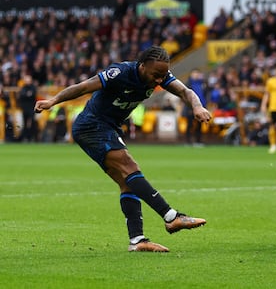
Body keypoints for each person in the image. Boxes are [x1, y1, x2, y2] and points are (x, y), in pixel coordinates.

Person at [34, 46, 211, 252]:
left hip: (109, 127)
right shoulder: (120, 72)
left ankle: (137, 240)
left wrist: (197, 106)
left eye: (162, 76)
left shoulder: (161, 75)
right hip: (92, 125)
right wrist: (53, 101)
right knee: (130, 167)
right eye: (155, 75)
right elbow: (84, 87)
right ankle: (171, 217)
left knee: (128, 183)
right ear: (142, 66)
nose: (159, 81)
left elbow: (185, 91)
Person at [182, 68, 207, 146]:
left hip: (201, 107)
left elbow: (205, 95)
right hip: (190, 108)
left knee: (199, 125)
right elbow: (185, 97)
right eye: (194, 73)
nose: (196, 75)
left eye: (197, 73)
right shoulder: (188, 84)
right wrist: (189, 107)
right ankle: (188, 141)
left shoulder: (202, 83)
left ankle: (198, 141)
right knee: (190, 125)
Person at [18, 74, 38, 142]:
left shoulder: (33, 87)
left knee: (32, 122)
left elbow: (33, 95)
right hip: (25, 108)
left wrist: (27, 95)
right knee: (25, 123)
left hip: (31, 107)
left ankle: (33, 137)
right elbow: (22, 96)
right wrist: (28, 94)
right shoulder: (23, 87)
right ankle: (26, 137)